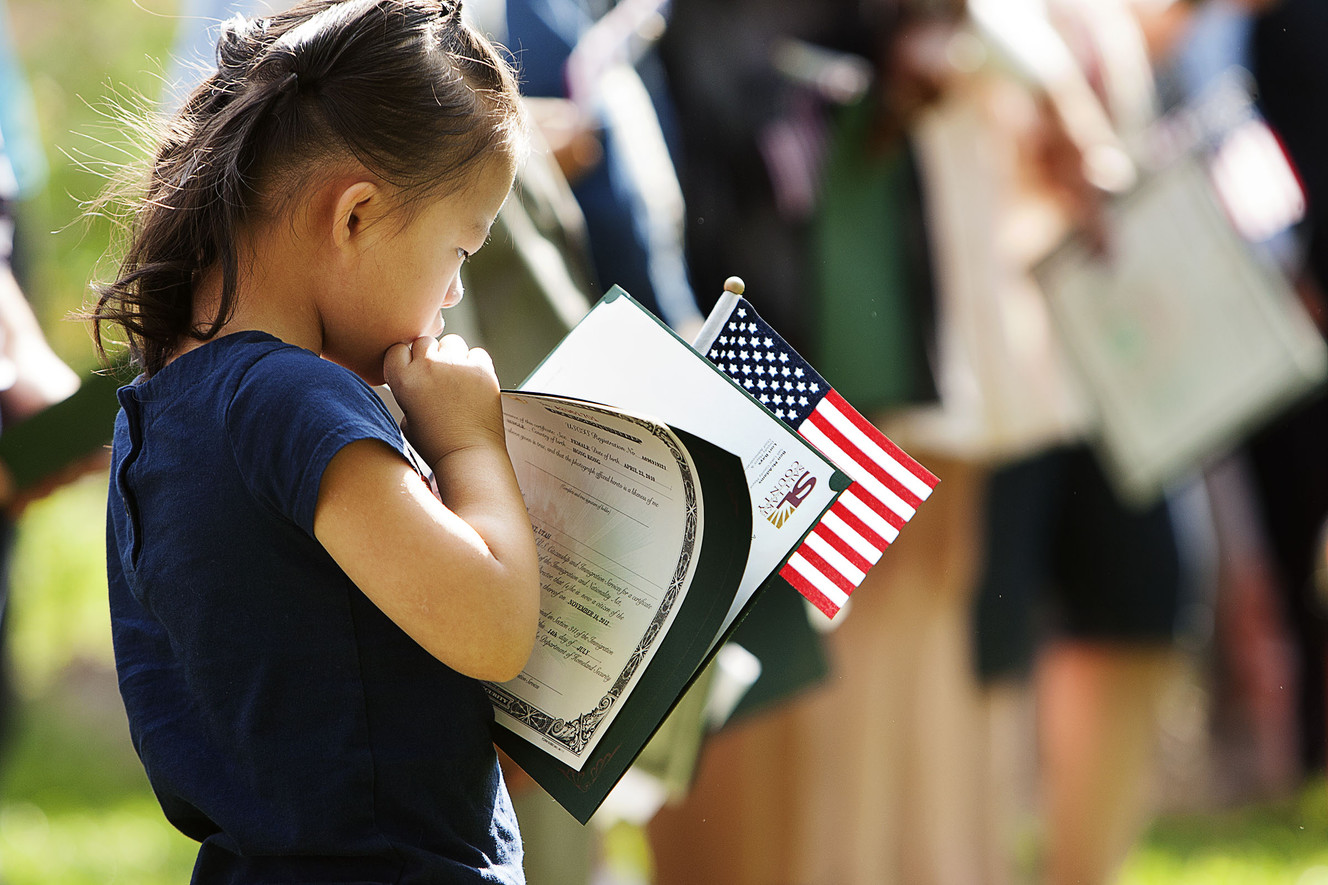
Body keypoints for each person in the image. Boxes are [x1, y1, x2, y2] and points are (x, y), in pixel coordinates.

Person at [87, 1, 542, 881]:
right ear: (355, 217)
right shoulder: (292, 400)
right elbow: (492, 627)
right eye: (459, 250)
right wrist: (469, 444)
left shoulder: (157, 412)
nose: (452, 295)